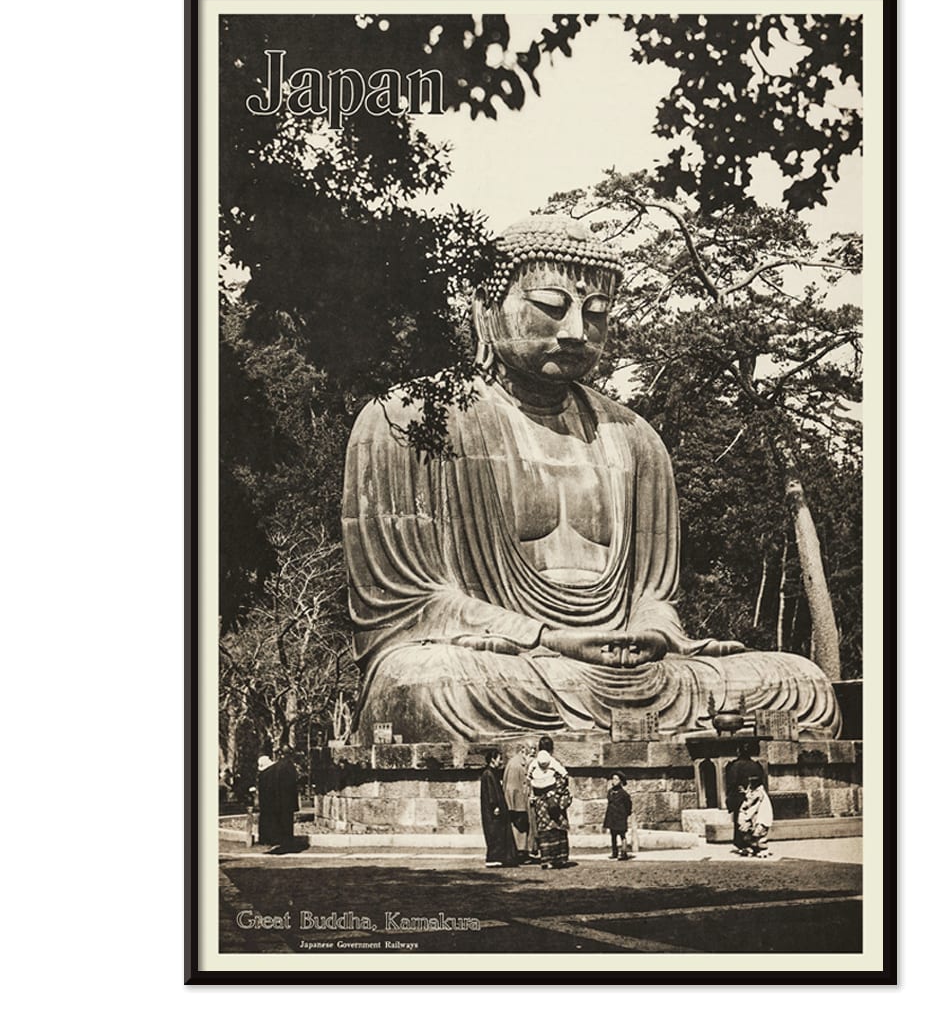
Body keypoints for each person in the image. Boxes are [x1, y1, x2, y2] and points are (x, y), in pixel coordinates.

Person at [343, 215, 840, 743]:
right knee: (424, 685)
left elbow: (653, 595)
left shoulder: (635, 437)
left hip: (629, 671)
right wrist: (546, 638)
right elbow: (409, 604)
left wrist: (654, 633)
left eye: (596, 313)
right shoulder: (408, 419)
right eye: (552, 307)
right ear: (486, 308)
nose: (577, 331)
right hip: (509, 665)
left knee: (799, 681)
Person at [530, 750, 571, 869]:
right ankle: (557, 859)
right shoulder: (559, 779)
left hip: (545, 811)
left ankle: (550, 859)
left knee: (548, 834)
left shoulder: (549, 776)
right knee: (552, 834)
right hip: (551, 811)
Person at [725, 742, 766, 853]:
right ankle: (754, 843)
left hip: (741, 798)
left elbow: (731, 783)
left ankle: (743, 845)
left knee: (741, 821)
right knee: (754, 819)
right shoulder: (756, 765)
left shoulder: (735, 766)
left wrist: (730, 799)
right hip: (756, 797)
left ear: (739, 751)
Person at [256, 752, 299, 850]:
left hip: (272, 805)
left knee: (273, 823)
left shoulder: (266, 775)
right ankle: (286, 843)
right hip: (286, 803)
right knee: (286, 823)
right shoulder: (283, 768)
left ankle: (274, 841)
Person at [479, 749, 515, 867]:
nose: (501, 761)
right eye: (499, 759)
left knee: (498, 833)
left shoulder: (491, 773)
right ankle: (494, 857)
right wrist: (494, 806)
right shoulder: (488, 774)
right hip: (493, 811)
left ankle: (500, 857)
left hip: (495, 809)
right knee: (495, 833)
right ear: (493, 760)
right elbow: (491, 793)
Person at [502, 743, 532, 862]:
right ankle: (519, 853)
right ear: (523, 750)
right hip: (517, 804)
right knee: (519, 827)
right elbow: (512, 788)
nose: (533, 752)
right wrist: (519, 806)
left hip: (519, 802)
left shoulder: (519, 763)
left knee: (521, 828)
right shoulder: (515, 765)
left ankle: (522, 852)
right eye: (531, 749)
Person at [736, 778, 774, 858]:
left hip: (760, 816)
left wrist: (746, 814)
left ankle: (763, 850)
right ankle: (752, 848)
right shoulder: (753, 790)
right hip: (753, 816)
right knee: (748, 832)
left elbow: (751, 802)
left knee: (759, 833)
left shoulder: (759, 792)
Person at [603, 771, 633, 860]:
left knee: (622, 834)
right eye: (613, 779)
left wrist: (626, 813)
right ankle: (614, 852)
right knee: (613, 835)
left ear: (620, 781)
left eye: (616, 779)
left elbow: (628, 805)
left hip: (620, 816)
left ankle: (624, 852)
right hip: (612, 817)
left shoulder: (624, 794)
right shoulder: (610, 792)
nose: (614, 781)